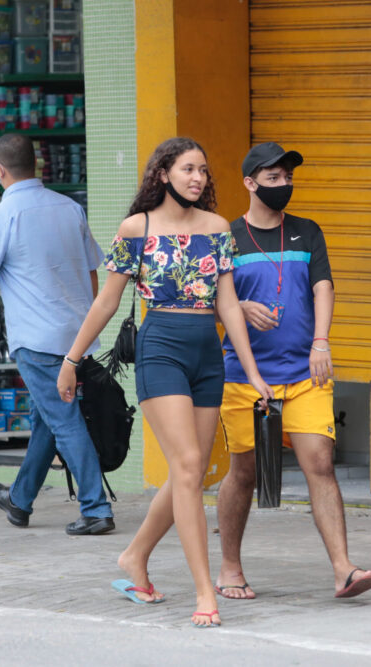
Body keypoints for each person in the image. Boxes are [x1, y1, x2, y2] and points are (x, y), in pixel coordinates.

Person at [56, 137, 274, 628]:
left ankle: (135, 556)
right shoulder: (138, 228)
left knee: (187, 475)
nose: (198, 178)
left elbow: (228, 305)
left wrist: (253, 372)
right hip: (161, 352)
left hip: (207, 355)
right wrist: (72, 359)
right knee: (190, 465)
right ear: (163, 174)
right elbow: (106, 301)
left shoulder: (217, 228)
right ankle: (204, 592)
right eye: (188, 169)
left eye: (203, 170)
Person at [214, 142, 371, 600]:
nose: (284, 185)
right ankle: (230, 568)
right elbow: (208, 300)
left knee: (320, 464)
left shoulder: (307, 232)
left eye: (287, 177)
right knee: (244, 473)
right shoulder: (227, 237)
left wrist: (321, 342)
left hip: (305, 375)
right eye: (273, 178)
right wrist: (239, 307)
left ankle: (344, 569)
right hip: (244, 378)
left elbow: (323, 286)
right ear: (250, 183)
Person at [0, 134, 113, 535]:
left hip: (37, 341)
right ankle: (20, 499)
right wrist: (87, 323)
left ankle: (96, 508)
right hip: (76, 337)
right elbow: (92, 272)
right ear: (36, 165)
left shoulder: (2, 217)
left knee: (63, 419)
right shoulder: (70, 208)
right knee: (47, 418)